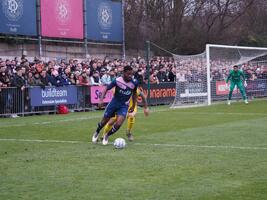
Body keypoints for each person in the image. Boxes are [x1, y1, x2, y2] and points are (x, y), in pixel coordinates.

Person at [91, 65, 138, 145]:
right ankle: (97, 131)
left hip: (124, 105)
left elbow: (134, 94)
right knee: (104, 121)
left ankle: (107, 135)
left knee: (119, 123)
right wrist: (101, 99)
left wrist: (133, 105)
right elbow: (106, 88)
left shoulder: (134, 82)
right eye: (128, 74)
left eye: (131, 74)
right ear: (124, 73)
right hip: (114, 103)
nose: (130, 76)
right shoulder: (117, 81)